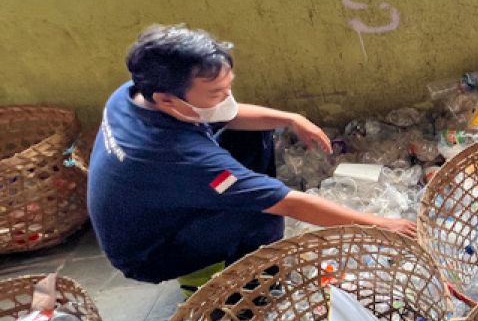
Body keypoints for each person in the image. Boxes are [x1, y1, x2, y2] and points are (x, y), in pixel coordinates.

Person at [88, 24, 418, 291]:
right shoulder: (178, 156)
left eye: (227, 87)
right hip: (149, 252)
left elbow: (227, 115)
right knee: (262, 215)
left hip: (159, 204)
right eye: (216, 93)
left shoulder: (134, 92)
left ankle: (226, 235)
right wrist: (380, 223)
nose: (226, 99)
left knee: (257, 130)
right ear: (167, 100)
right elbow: (288, 203)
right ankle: (246, 290)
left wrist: (290, 118)